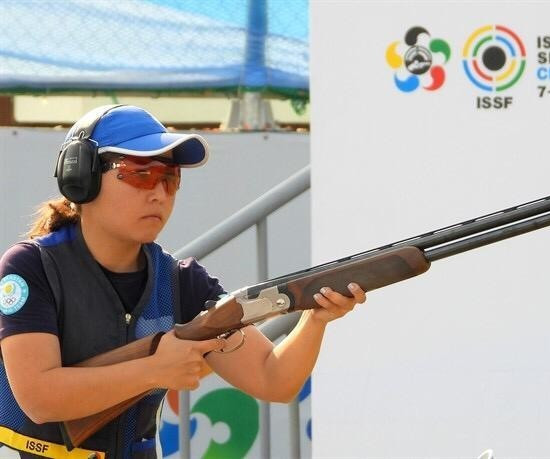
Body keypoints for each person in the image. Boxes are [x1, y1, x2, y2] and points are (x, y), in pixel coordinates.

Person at [0, 105, 366, 459]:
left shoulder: (181, 282)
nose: (159, 193)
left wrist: (315, 319)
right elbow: (40, 399)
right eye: (140, 173)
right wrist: (154, 369)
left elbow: (274, 379)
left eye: (169, 178)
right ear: (82, 177)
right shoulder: (32, 267)